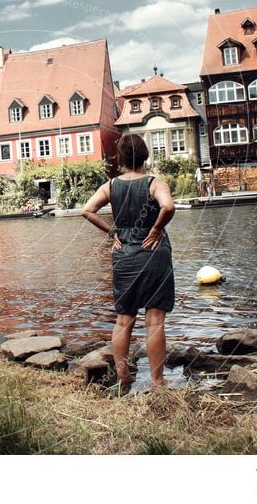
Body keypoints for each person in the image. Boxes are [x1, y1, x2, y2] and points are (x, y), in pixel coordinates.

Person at [82, 134, 176, 392]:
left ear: (121, 159)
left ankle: (123, 375)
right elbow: (168, 207)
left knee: (124, 320)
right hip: (154, 252)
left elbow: (87, 210)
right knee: (155, 321)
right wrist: (156, 229)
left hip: (125, 253)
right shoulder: (155, 183)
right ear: (145, 155)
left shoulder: (110, 186)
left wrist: (112, 233)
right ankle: (157, 383)